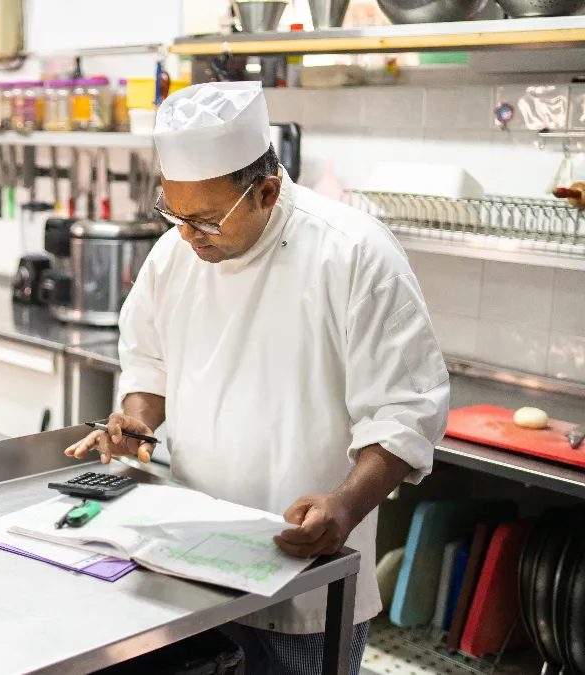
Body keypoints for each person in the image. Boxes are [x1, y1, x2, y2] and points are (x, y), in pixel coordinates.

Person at [64, 81, 450, 674]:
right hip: (190, 565)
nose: (187, 234)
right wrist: (136, 421)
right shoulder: (175, 255)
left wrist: (345, 508)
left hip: (309, 581)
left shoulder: (353, 254)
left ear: (267, 190)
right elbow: (151, 362)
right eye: (174, 213)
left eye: (204, 220)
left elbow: (406, 412)